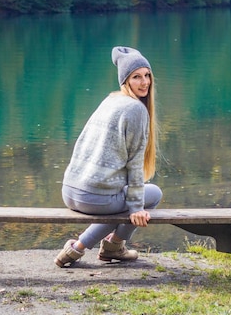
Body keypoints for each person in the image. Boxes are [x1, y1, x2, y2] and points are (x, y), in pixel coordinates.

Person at [54, 46, 163, 267]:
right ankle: (96, 247)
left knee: (133, 196)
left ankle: (104, 247)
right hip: (92, 198)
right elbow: (134, 164)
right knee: (152, 194)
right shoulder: (136, 110)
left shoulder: (111, 100)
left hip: (71, 191)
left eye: (147, 75)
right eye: (136, 77)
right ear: (125, 81)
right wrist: (136, 208)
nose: (144, 83)